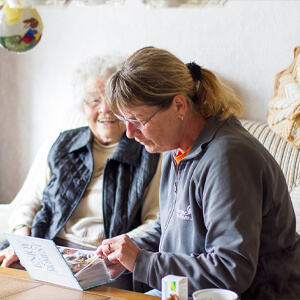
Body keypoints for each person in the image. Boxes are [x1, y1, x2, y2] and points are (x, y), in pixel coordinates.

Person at [96, 46, 300, 299]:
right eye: (123, 119)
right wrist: (128, 249)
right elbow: (170, 226)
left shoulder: (228, 159)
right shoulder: (178, 148)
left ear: (179, 106)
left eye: (139, 120)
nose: (129, 133)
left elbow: (230, 270)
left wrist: (142, 262)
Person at [0, 54, 161, 290]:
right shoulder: (63, 143)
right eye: (94, 100)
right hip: (46, 251)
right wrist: (23, 242)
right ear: (83, 107)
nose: (105, 108)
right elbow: (30, 201)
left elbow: (155, 220)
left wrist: (117, 250)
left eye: (112, 99)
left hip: (105, 260)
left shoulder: (149, 150)